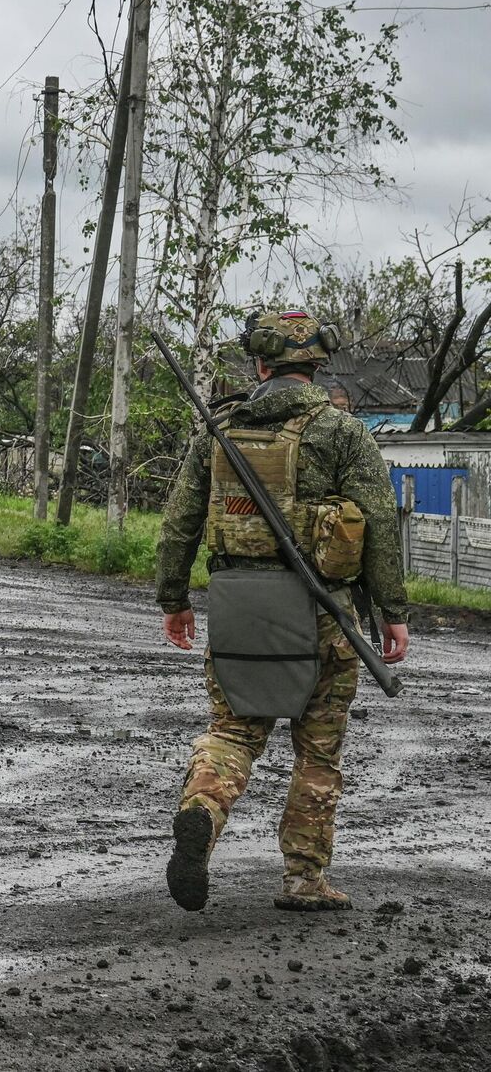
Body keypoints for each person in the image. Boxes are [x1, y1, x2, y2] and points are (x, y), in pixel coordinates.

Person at [155, 309, 410, 913]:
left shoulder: (220, 430)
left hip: (237, 604)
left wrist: (173, 599)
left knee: (233, 731)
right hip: (323, 612)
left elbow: (179, 521)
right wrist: (393, 611)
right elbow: (376, 524)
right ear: (316, 365)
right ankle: (304, 880)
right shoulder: (342, 432)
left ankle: (201, 814)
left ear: (261, 364)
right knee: (317, 750)